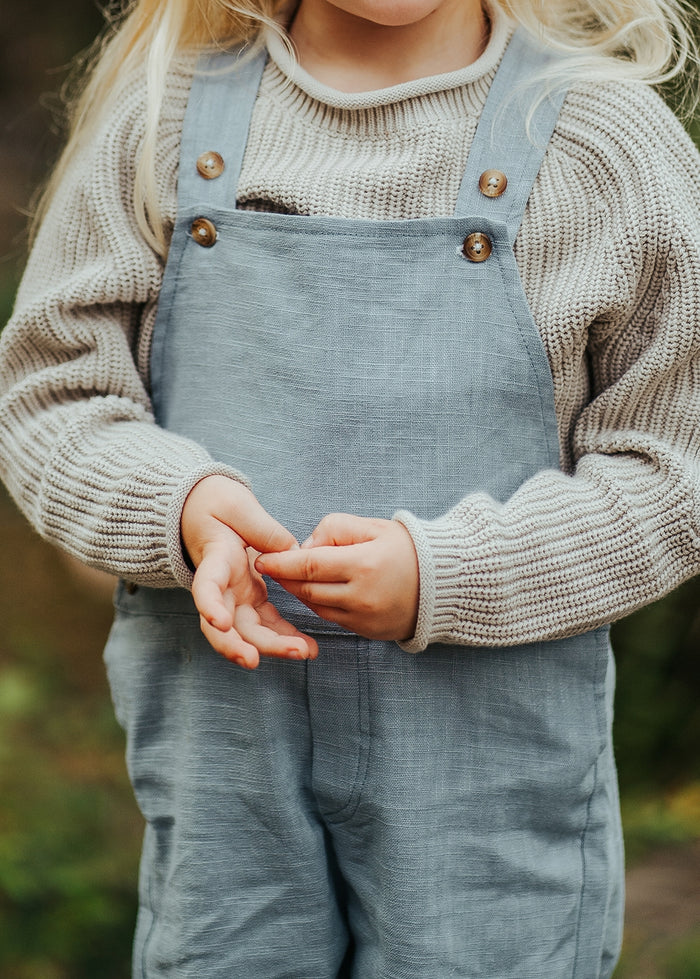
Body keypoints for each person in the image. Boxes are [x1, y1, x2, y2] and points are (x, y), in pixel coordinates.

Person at [1, 0, 699, 974]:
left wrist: (447, 571)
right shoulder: (165, 116)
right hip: (227, 792)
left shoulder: (604, 143)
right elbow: (48, 393)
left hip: (486, 807)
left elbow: (674, 467)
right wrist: (181, 507)